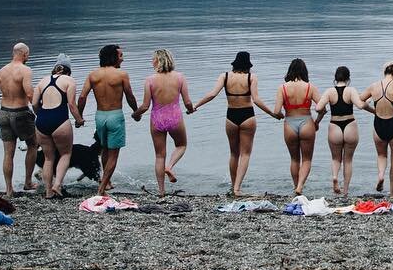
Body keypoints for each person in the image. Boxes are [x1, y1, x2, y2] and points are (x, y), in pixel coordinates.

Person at [193, 51, 277, 197]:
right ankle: (238, 188)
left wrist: (195, 106)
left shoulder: (224, 76)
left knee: (234, 153)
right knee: (245, 154)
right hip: (247, 116)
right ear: (248, 64)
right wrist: (273, 114)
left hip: (231, 116)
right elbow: (256, 100)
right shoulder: (252, 77)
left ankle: (234, 187)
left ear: (235, 63)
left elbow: (212, 94)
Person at [77, 44, 139, 194]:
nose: (122, 59)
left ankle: (107, 182)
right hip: (115, 116)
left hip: (100, 116)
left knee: (104, 149)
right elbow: (129, 96)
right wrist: (136, 111)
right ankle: (102, 187)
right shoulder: (121, 75)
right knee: (113, 154)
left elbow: (82, 97)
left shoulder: (93, 75)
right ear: (113, 57)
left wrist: (79, 116)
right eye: (120, 56)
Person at [131, 49, 193, 199]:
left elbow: (145, 106)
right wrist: (191, 110)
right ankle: (170, 167)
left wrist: (135, 114)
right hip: (175, 118)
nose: (152, 61)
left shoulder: (150, 80)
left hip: (157, 119)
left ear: (158, 61)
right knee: (181, 145)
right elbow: (188, 102)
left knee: (159, 155)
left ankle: (161, 191)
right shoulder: (180, 77)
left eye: (153, 59)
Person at [0, 42, 38, 196]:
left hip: (4, 113)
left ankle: (8, 189)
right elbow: (29, 94)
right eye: (28, 54)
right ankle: (28, 182)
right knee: (33, 144)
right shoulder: (25, 70)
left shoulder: (2, 71)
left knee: (8, 153)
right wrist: (39, 113)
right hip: (20, 112)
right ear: (25, 54)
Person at [32, 54, 83, 199]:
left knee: (48, 158)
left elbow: (34, 104)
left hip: (42, 121)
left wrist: (40, 115)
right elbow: (72, 105)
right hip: (60, 120)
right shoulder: (69, 81)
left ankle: (48, 191)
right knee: (66, 154)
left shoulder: (42, 81)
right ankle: (57, 185)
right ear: (69, 70)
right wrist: (79, 120)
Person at [357, 61, 393, 198]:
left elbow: (360, 103)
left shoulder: (373, 86)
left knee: (381, 155)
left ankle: (381, 175)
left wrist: (373, 110)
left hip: (378, 123)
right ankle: (392, 193)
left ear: (384, 71)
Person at [275, 58, 319, 195]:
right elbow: (322, 107)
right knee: (306, 159)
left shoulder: (282, 88)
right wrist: (317, 122)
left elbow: (276, 111)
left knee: (294, 159)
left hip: (289, 123)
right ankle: (300, 186)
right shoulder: (310, 87)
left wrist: (281, 116)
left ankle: (296, 187)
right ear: (304, 71)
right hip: (307, 122)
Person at [316, 66, 359, 196]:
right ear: (348, 78)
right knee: (348, 160)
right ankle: (345, 191)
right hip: (350, 124)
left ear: (335, 78)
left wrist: (319, 117)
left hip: (334, 125)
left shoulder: (329, 91)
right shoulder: (351, 90)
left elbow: (318, 107)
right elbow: (360, 105)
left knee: (336, 158)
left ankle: (335, 177)